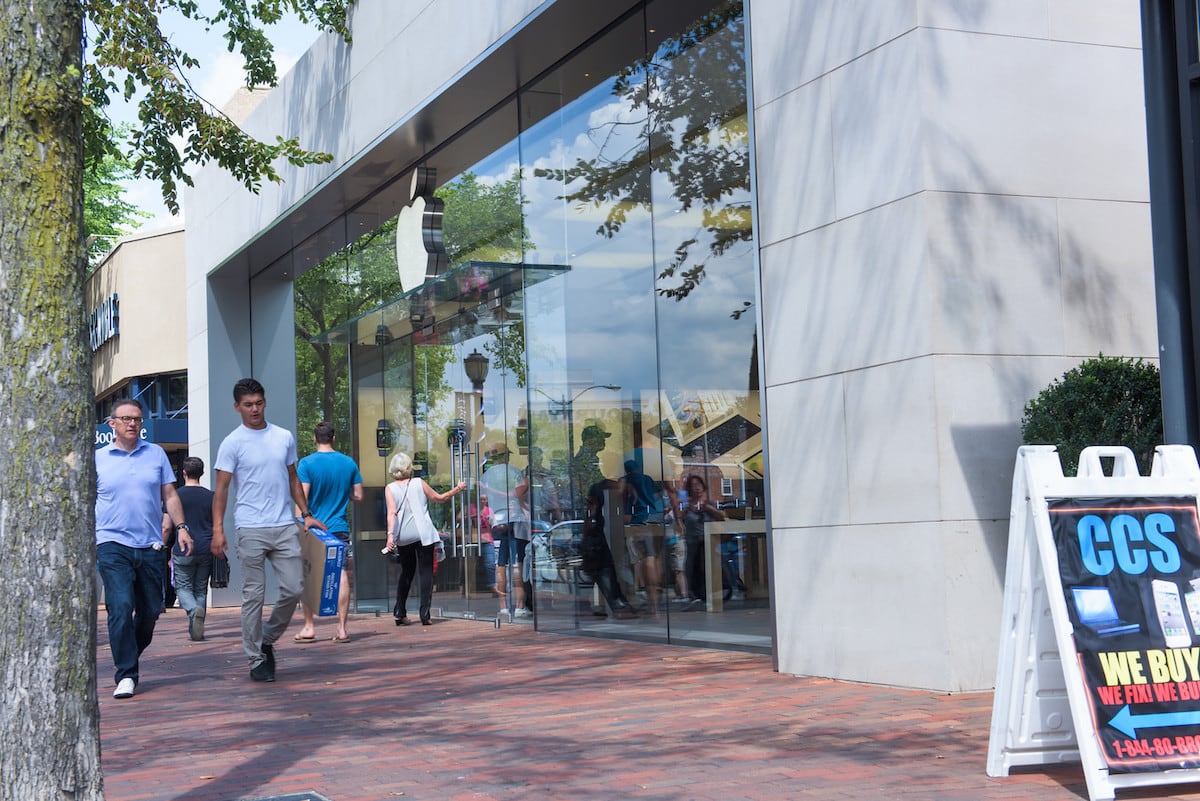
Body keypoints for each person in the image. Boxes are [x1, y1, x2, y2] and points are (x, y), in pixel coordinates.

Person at [212, 378, 325, 683]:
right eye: (248, 404)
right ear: (237, 407)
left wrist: (306, 514)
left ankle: (267, 639)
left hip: (284, 525)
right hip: (249, 527)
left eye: (259, 403)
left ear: (265, 402)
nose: (254, 409)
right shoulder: (232, 443)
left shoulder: (283, 437)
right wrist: (218, 531)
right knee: (254, 596)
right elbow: (221, 490)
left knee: (294, 588)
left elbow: (292, 478)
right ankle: (256, 659)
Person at [96, 398, 192, 699]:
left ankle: (128, 654)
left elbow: (170, 495)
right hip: (111, 543)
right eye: (125, 419)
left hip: (150, 544)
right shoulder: (98, 458)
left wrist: (181, 527)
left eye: (137, 419)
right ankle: (126, 673)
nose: (132, 424)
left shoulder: (156, 455)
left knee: (151, 610)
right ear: (112, 424)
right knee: (121, 606)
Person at [293, 421, 364, 643]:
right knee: (341, 573)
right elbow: (359, 495)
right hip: (339, 527)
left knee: (307, 574)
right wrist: (343, 495)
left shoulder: (306, 464)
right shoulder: (348, 463)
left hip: (313, 528)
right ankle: (342, 629)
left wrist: (299, 523)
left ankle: (309, 626)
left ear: (315, 439)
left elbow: (301, 496)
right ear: (333, 438)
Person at [385, 452, 465, 625]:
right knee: (426, 571)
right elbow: (439, 498)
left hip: (404, 536)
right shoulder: (418, 483)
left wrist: (390, 536)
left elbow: (391, 513)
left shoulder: (389, 488)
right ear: (409, 468)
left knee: (407, 572)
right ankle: (425, 614)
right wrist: (457, 489)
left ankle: (400, 611)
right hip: (423, 534)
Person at [162, 457, 214, 642]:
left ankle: (193, 611)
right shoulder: (211, 496)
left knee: (182, 587)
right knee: (201, 589)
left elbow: (167, 526)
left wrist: (162, 546)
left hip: (183, 549)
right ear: (202, 472)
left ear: (183, 473)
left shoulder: (175, 496)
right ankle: (196, 629)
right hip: (206, 548)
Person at [479, 442, 531, 617]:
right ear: (505, 456)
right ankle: (519, 606)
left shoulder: (485, 476)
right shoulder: (515, 472)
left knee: (500, 564)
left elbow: (484, 502)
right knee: (517, 563)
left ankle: (502, 606)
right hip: (515, 518)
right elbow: (519, 495)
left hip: (496, 522)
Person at [580, 479, 635, 618]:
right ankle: (616, 603)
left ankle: (615, 602)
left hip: (598, 537)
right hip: (596, 539)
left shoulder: (602, 489)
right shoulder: (597, 496)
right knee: (604, 571)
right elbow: (590, 514)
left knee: (603, 572)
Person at [622, 459, 666, 614]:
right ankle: (657, 594)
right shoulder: (647, 478)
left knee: (646, 558)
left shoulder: (626, 480)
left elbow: (619, 497)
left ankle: (652, 599)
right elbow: (656, 496)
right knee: (656, 557)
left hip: (639, 520)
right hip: (656, 519)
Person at [679, 474, 725, 608]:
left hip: (708, 542)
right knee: (691, 568)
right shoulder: (686, 507)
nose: (697, 488)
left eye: (699, 485)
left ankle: (709, 595)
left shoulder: (709, 504)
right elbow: (678, 520)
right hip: (691, 543)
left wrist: (709, 509)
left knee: (707, 568)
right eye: (694, 486)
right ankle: (693, 595)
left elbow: (722, 517)